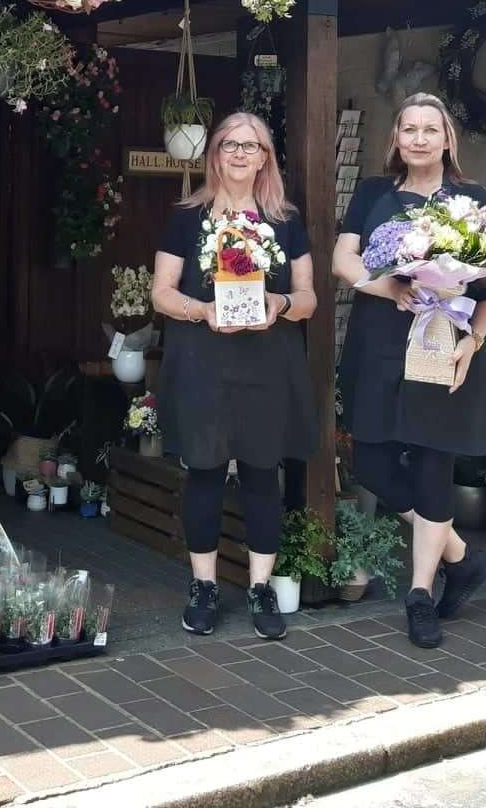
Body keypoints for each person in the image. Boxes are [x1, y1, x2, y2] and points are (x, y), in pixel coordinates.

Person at [331, 93, 486, 650]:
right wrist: (388, 286)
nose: (419, 139)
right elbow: (343, 259)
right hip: (380, 345)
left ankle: (420, 594)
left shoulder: (473, 199)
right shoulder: (371, 194)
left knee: (434, 466)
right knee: (373, 462)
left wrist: (473, 343)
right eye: (409, 129)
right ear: (396, 139)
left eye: (430, 129)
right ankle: (459, 555)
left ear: (447, 138)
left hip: (444, 347)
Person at [150, 111, 318, 641]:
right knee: (203, 471)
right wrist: (201, 311)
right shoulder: (187, 215)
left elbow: (310, 298)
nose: (241, 154)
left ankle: (260, 587)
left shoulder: (285, 219)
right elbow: (162, 291)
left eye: (253, 146)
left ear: (266, 157)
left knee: (263, 473)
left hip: (268, 362)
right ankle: (203, 587)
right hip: (204, 359)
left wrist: (280, 302)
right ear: (214, 154)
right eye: (230, 145)